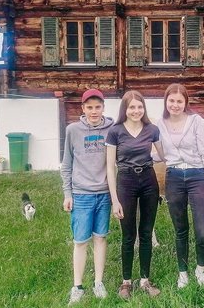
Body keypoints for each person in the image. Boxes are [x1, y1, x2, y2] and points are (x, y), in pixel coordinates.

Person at [156, 83, 204, 288]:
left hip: (197, 176)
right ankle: (182, 272)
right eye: (171, 101)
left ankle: (200, 268)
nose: (175, 105)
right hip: (173, 177)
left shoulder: (195, 122)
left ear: (185, 103)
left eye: (179, 101)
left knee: (202, 230)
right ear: (166, 102)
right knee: (180, 229)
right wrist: (136, 157)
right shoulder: (159, 124)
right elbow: (160, 154)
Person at [106, 90, 164, 299]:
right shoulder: (115, 132)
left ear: (144, 109)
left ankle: (145, 280)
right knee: (128, 235)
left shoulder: (152, 129)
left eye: (140, 107)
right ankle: (126, 282)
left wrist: (156, 157)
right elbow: (110, 167)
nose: (136, 111)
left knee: (146, 233)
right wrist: (114, 199)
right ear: (125, 109)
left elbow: (164, 154)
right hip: (126, 182)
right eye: (132, 107)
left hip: (148, 180)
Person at [60, 88, 114, 305]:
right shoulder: (73, 130)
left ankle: (98, 282)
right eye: (89, 107)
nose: (94, 111)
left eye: (98, 107)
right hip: (81, 195)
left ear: (103, 107)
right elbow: (66, 165)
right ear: (82, 108)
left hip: (104, 194)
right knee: (81, 241)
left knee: (101, 238)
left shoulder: (112, 129)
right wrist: (67, 193)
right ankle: (78, 286)